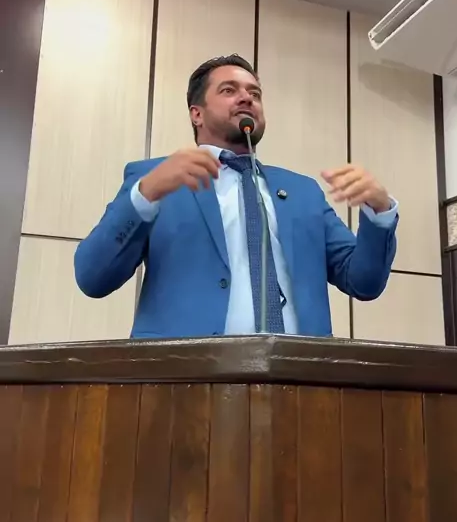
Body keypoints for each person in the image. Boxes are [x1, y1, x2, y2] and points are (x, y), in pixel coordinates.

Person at [74, 54, 398, 339]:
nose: (246, 97)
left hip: (298, 375)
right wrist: (144, 196)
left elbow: (364, 282)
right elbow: (93, 278)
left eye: (254, 93)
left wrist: (379, 213)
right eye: (229, 90)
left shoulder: (303, 192)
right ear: (196, 114)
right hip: (185, 375)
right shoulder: (157, 179)